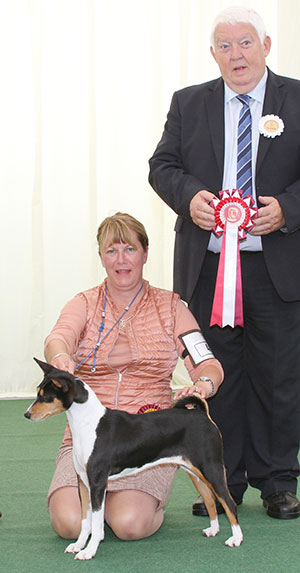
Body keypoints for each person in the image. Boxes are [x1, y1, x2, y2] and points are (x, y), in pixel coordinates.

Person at [149, 6, 300, 520]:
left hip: (278, 270)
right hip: (209, 270)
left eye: (244, 43)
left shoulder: (299, 98)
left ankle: (278, 482)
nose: (235, 54)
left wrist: (288, 210)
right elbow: (161, 166)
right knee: (216, 376)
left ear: (266, 45)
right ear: (212, 53)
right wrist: (188, 196)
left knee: (279, 378)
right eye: (224, 46)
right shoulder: (188, 103)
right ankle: (221, 481)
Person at [45, 212, 224, 541]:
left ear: (145, 253)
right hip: (87, 440)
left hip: (148, 439)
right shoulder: (82, 303)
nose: (120, 260)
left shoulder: (172, 307)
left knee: (128, 524)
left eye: (129, 249)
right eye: (111, 251)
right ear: (101, 257)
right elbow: (58, 338)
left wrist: (204, 383)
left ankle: (142, 503)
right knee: (69, 524)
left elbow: (208, 363)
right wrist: (60, 357)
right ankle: (102, 504)